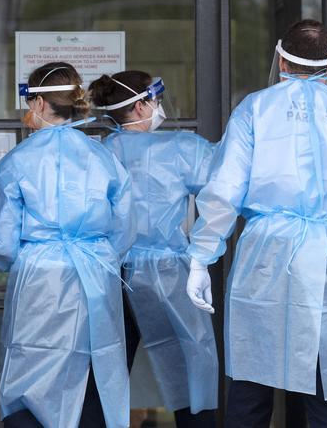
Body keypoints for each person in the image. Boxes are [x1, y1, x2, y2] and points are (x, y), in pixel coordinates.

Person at [185, 19, 327, 428]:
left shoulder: (256, 108)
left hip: (267, 254)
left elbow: (224, 190)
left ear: (281, 58)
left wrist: (201, 257)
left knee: (252, 387)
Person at [0, 62, 136, 428]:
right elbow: (124, 228)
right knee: (94, 373)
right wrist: (97, 255)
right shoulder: (103, 158)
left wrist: (31, 258)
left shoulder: (18, 160)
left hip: (40, 280)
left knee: (30, 375)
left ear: (39, 103)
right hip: (96, 276)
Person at [86, 70, 218, 428]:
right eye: (154, 99)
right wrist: (204, 251)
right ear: (142, 104)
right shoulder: (181, 149)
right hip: (168, 274)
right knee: (193, 369)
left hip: (110, 275)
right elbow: (225, 194)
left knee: (103, 371)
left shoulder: (96, 154)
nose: (159, 106)